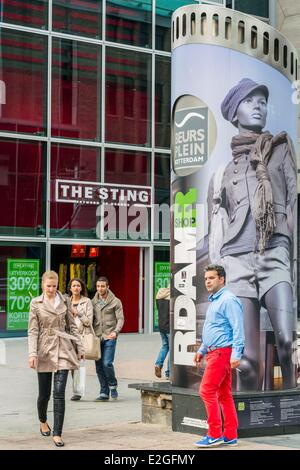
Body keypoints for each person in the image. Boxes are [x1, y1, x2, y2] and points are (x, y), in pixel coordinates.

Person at [210, 78, 297, 391]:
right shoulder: (224, 171)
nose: (258, 105)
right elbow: (219, 223)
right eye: (250, 101)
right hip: (238, 261)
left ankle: (291, 404)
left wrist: (289, 246)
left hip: (274, 252)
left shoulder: (281, 147)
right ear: (235, 113)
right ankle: (243, 418)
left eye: (262, 100)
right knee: (247, 361)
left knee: (286, 341)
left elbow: (292, 201)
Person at [28, 270, 85, 447]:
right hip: (44, 349)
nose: (51, 289)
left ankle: (57, 433)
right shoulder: (35, 303)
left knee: (59, 393)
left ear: (57, 285)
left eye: (54, 286)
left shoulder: (65, 301)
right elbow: (33, 331)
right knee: (44, 394)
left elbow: (72, 326)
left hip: (63, 348)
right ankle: (43, 421)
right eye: (48, 286)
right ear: (42, 285)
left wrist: (80, 347)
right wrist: (32, 353)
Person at [194, 264, 244, 448]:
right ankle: (230, 435)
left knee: (206, 391)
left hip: (223, 353)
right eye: (206, 278)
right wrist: (202, 350)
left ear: (221, 279)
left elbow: (238, 329)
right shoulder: (215, 300)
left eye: (211, 278)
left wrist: (237, 353)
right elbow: (212, 328)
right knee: (224, 394)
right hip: (214, 351)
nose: (207, 281)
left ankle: (214, 434)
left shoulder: (229, 300)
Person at [92, 276, 124, 401]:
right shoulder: (92, 302)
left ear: (107, 287)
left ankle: (113, 385)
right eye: (98, 286)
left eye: (102, 286)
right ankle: (104, 392)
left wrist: (116, 332)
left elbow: (120, 319)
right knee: (99, 366)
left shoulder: (116, 301)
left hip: (110, 336)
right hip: (96, 337)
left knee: (107, 363)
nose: (100, 289)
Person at [66, 277, 93, 401]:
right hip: (68, 337)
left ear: (81, 288)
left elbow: (89, 322)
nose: (76, 288)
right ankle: (76, 388)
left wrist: (78, 313)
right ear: (70, 288)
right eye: (74, 286)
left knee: (80, 364)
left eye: (78, 285)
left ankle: (78, 391)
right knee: (72, 365)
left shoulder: (87, 301)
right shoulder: (66, 301)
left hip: (81, 337)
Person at [154, 286, 170, 380]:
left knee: (165, 346)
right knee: (172, 349)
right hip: (169, 326)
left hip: (161, 326)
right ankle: (169, 373)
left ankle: (158, 364)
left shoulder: (159, 294)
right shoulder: (171, 297)